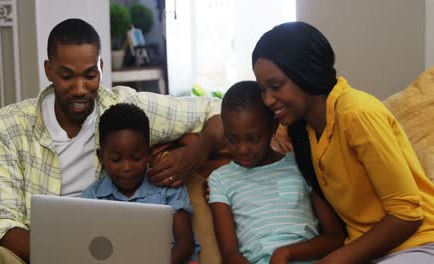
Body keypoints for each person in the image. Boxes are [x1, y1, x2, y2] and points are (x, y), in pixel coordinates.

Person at [0, 18, 221, 263]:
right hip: (31, 255)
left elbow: (216, 108)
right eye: (67, 76)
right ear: (49, 70)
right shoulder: (9, 125)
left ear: (101, 66)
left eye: (90, 75)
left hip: (111, 254)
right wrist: (67, 255)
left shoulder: (124, 108)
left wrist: (197, 152)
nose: (79, 88)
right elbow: (1, 226)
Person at [252, 21, 434, 263]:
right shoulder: (302, 128)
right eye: (262, 90)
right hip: (367, 250)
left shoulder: (356, 113)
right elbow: (239, 134)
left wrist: (332, 261)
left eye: (275, 86)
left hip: (418, 244)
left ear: (305, 72)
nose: (267, 100)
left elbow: (407, 215)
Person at [208, 81, 345, 264]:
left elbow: (335, 236)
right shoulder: (220, 180)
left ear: (273, 127)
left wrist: (287, 252)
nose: (242, 149)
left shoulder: (300, 165)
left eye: (253, 139)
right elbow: (230, 254)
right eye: (232, 139)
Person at [81, 103, 199, 263]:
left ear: (149, 154)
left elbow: (185, 242)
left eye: (137, 158)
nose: (127, 168)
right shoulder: (91, 198)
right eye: (116, 159)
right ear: (101, 157)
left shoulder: (167, 188)